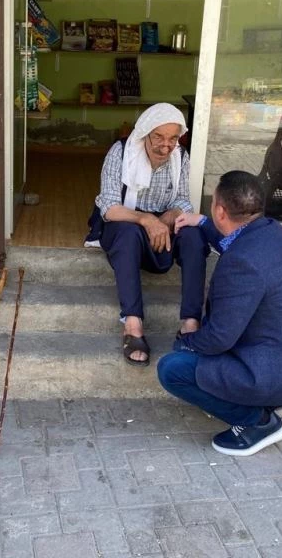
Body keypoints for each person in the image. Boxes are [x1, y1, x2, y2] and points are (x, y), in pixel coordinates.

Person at [158, 171, 282, 456]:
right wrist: (202, 222)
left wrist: (186, 339)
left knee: (173, 367)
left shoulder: (240, 263)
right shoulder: (271, 231)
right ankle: (265, 401)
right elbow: (232, 239)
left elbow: (219, 339)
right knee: (194, 351)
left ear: (221, 211)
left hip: (273, 373)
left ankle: (257, 421)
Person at [86, 103, 210, 366]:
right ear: (145, 133)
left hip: (162, 224)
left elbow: (183, 201)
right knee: (129, 234)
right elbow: (109, 207)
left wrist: (166, 218)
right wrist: (146, 219)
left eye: (173, 138)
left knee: (194, 236)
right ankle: (133, 325)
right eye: (159, 137)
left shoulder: (180, 157)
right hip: (125, 222)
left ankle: (190, 323)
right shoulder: (121, 152)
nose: (166, 146)